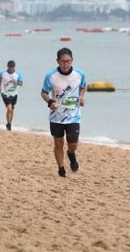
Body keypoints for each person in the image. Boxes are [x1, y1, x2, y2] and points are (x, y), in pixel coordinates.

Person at [41, 47, 86, 178]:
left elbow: (83, 86)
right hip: (56, 117)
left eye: (68, 61)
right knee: (58, 143)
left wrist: (81, 97)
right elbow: (44, 93)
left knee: (73, 144)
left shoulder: (80, 73)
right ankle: (61, 169)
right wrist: (50, 102)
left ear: (72, 60)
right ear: (57, 61)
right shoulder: (51, 76)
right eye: (63, 61)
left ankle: (71, 154)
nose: (66, 64)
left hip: (73, 116)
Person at [0, 60, 24, 131]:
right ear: (7, 67)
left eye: (12, 68)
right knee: (9, 108)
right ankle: (8, 124)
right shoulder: (3, 73)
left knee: (12, 110)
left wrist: (16, 82)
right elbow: (0, 79)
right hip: (5, 93)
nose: (11, 69)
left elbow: (21, 84)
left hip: (14, 94)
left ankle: (9, 124)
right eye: (9, 67)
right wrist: (0, 87)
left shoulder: (18, 74)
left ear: (14, 67)